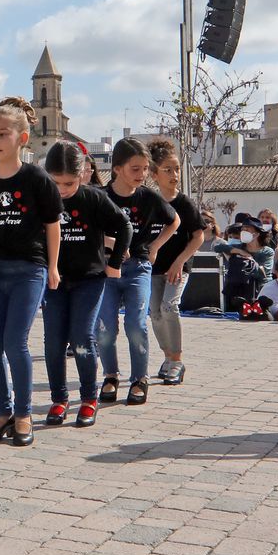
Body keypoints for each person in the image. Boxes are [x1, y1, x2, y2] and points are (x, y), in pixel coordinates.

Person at [0, 97, 62, 447]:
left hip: (29, 271)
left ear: (22, 138)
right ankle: (3, 411)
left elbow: (53, 225)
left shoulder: (37, 179)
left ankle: (23, 413)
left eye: (2, 134)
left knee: (14, 342)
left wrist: (52, 267)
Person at [41, 141, 128, 429]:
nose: (62, 190)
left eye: (68, 183)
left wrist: (114, 263)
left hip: (89, 280)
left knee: (81, 339)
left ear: (82, 174)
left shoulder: (94, 199)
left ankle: (89, 398)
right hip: (54, 281)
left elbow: (124, 226)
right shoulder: (42, 199)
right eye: (55, 183)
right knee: (53, 343)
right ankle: (59, 399)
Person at [97, 138, 179, 405]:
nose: (142, 175)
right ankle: (110, 375)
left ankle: (139, 379)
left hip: (138, 268)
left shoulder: (148, 197)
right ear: (117, 168)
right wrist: (111, 243)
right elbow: (87, 229)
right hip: (107, 269)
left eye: (145, 169)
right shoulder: (100, 196)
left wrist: (155, 246)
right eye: (136, 169)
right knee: (106, 327)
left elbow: (174, 221)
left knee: (136, 324)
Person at [147, 139, 206, 386]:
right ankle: (168, 357)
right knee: (155, 312)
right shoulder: (148, 202)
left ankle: (177, 361)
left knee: (170, 306)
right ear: (154, 173)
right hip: (153, 269)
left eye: (177, 169)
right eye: (168, 170)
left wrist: (179, 262)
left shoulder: (185, 204)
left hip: (178, 268)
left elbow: (198, 236)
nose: (174, 175)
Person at [216, 217, 274, 309]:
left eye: (247, 229)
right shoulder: (239, 247)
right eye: (242, 229)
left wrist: (250, 260)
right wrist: (241, 252)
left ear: (256, 234)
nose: (243, 232)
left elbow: (263, 273)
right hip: (239, 288)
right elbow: (218, 247)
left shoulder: (267, 251)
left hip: (260, 289)